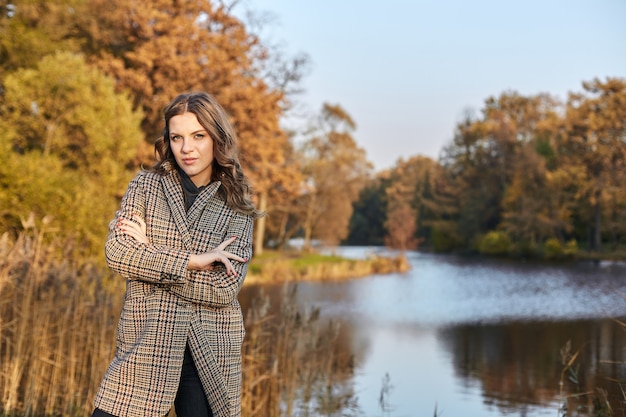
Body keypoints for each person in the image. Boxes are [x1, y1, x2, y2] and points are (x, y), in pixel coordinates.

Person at [91, 92, 260, 417]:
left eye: (198, 136)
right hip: (147, 342)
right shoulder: (145, 186)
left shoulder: (237, 202)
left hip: (209, 348)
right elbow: (117, 253)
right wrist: (193, 262)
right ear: (167, 139)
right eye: (177, 137)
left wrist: (149, 254)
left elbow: (223, 288)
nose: (187, 148)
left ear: (216, 138)